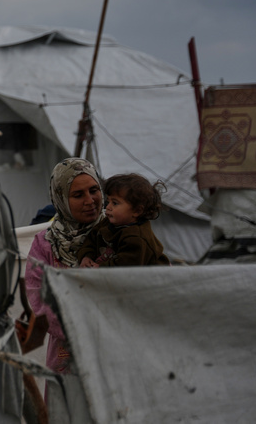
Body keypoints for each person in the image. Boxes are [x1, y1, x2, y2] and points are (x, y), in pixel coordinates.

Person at [24, 157, 104, 374]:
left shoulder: (123, 232)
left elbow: (155, 275)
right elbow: (38, 299)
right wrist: (81, 327)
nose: (90, 200)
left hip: (117, 351)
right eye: (78, 195)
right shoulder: (45, 243)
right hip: (68, 355)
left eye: (94, 190)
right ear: (60, 199)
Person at [77, 173, 171, 267]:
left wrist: (100, 268)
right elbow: (91, 239)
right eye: (108, 201)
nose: (108, 207)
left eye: (115, 203)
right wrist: (86, 256)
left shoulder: (137, 238)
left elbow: (124, 268)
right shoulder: (109, 222)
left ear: (137, 211)